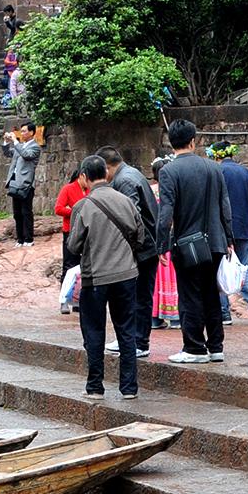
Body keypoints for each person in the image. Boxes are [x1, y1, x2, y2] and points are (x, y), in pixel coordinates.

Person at [67, 154, 147, 399]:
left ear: (84, 177)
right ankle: (129, 388)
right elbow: (140, 237)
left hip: (96, 278)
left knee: (94, 331)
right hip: (126, 275)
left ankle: (95, 387)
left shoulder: (83, 206)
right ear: (106, 174)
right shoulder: (126, 201)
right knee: (126, 330)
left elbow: (73, 245)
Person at [156, 119, 232, 365]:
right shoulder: (214, 168)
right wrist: (229, 238)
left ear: (171, 142)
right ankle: (216, 347)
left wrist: (161, 245)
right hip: (216, 241)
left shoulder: (169, 171)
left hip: (188, 243)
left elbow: (166, 212)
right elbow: (225, 206)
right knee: (211, 292)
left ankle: (194, 347)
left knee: (190, 295)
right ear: (193, 140)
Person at [101, 145, 163, 356]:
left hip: (142, 249)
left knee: (140, 297)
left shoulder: (124, 180)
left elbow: (130, 216)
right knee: (129, 296)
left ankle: (139, 343)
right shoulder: (131, 173)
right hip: (142, 247)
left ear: (107, 167)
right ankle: (127, 338)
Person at [218, 146, 248, 324]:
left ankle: (224, 313)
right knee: (242, 267)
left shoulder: (217, 172)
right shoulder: (246, 173)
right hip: (244, 228)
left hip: (221, 230)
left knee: (220, 268)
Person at [3, 121, 42, 247]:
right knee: (17, 213)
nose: (22, 133)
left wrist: (15, 142)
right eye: (21, 131)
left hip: (26, 183)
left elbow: (26, 155)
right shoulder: (20, 145)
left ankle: (29, 238)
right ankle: (19, 239)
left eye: (24, 131)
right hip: (15, 181)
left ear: (31, 132)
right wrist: (6, 142)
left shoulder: (35, 147)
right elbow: (8, 153)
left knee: (26, 212)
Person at [54, 165, 89, 279]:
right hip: (70, 230)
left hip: (86, 231)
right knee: (69, 264)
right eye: (87, 178)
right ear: (81, 176)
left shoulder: (90, 190)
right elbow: (58, 208)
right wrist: (76, 212)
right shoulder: (68, 189)